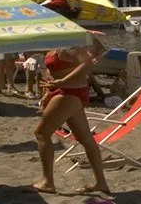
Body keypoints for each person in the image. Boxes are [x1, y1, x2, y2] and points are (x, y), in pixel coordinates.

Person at [31, 34, 110, 195]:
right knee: (85, 138)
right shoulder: (60, 39)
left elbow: (88, 63)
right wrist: (48, 93)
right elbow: (54, 71)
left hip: (69, 92)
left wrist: (63, 81)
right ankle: (101, 183)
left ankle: (47, 182)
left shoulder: (73, 42)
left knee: (41, 133)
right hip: (64, 91)